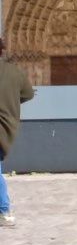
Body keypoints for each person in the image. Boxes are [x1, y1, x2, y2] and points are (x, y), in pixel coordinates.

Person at [0, 34, 34, 228]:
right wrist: (12, 102)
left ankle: (4, 210)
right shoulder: (15, 72)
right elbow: (28, 93)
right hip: (6, 126)